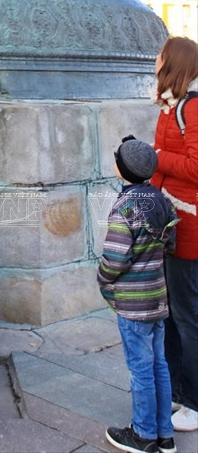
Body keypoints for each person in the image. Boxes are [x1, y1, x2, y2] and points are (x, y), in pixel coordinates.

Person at [98, 135, 178, 453]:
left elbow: (116, 258)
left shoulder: (126, 206)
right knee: (159, 363)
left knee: (140, 366)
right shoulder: (159, 200)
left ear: (123, 170)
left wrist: (103, 278)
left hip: (133, 304)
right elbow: (170, 242)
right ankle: (165, 434)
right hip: (157, 297)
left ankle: (144, 434)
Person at [150, 35, 198, 434]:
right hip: (169, 224)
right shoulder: (169, 108)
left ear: (174, 63)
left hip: (189, 227)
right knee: (171, 315)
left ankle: (193, 402)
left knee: (186, 317)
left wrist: (154, 159)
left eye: (161, 56)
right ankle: (176, 392)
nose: (155, 60)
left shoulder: (191, 109)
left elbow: (196, 168)